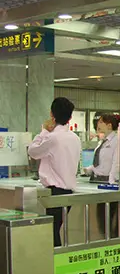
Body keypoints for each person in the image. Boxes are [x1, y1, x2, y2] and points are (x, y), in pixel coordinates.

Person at [28, 97, 81, 247]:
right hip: (68, 191)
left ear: (52, 114)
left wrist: (44, 130)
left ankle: (55, 264)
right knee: (55, 228)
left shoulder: (52, 138)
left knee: (51, 231)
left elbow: (33, 152)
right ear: (70, 117)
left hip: (54, 192)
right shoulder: (75, 138)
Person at [84, 113, 120, 184]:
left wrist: (111, 182)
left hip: (107, 180)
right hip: (95, 179)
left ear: (109, 126)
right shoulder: (102, 141)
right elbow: (100, 163)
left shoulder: (117, 141)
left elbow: (116, 164)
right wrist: (89, 169)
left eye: (101, 122)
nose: (98, 124)